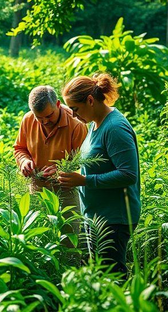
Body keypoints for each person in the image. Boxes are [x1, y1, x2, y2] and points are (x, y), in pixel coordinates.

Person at [58, 73, 141, 276]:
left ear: (90, 100)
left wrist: (85, 180)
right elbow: (99, 165)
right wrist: (73, 176)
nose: (73, 115)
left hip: (114, 217)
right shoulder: (95, 124)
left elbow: (128, 174)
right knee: (100, 275)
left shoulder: (114, 128)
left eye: (75, 109)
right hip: (96, 215)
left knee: (112, 276)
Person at [14, 85, 88, 253]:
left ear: (58, 104)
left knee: (69, 237)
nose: (45, 121)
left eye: (49, 116)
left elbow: (84, 164)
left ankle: (70, 271)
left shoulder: (76, 125)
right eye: (39, 118)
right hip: (37, 187)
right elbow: (19, 148)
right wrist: (24, 161)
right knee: (39, 236)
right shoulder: (28, 120)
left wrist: (60, 169)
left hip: (66, 191)